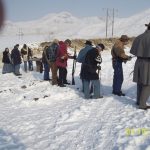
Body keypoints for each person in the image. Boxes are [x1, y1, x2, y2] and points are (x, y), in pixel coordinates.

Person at [130, 22, 150, 110]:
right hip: (148, 63)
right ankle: (142, 104)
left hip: (138, 62)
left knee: (140, 82)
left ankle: (139, 101)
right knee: (147, 84)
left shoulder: (139, 37)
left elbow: (133, 51)